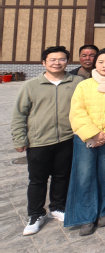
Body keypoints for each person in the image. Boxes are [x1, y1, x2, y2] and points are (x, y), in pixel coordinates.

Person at [12, 46, 83, 236]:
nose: (57, 63)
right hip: (39, 141)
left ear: (67, 62)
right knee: (37, 180)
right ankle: (35, 214)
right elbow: (19, 114)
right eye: (52, 59)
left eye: (61, 59)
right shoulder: (31, 85)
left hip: (67, 138)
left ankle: (57, 207)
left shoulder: (77, 82)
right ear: (44, 62)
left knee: (62, 176)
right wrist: (19, 138)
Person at [64, 48, 105, 235]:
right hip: (85, 137)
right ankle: (86, 217)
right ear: (95, 64)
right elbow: (77, 112)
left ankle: (103, 211)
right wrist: (92, 134)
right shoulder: (84, 85)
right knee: (84, 176)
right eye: (101, 62)